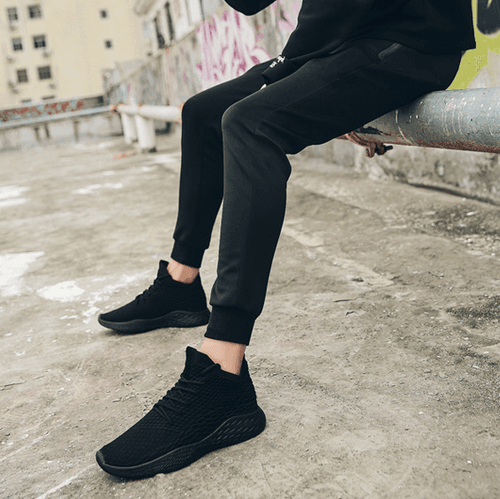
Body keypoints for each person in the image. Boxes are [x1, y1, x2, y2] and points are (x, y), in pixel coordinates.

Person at [95, 0, 475, 479]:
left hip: (411, 38)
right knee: (203, 111)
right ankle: (180, 279)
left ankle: (223, 369)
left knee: (251, 123)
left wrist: (299, 73)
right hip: (345, 40)